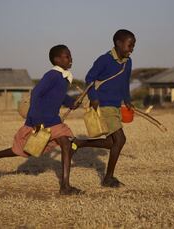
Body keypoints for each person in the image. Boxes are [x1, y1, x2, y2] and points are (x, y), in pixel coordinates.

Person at [0, 44, 82, 195]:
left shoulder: (63, 78)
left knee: (66, 144)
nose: (71, 59)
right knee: (25, 150)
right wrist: (36, 119)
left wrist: (71, 103)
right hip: (40, 119)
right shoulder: (53, 75)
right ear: (57, 59)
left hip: (53, 120)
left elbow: (60, 97)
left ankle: (65, 186)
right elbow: (36, 93)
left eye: (70, 56)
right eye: (67, 56)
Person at [74, 29, 136, 187]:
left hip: (115, 106)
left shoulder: (128, 62)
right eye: (129, 45)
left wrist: (127, 100)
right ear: (118, 44)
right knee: (120, 140)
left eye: (133, 46)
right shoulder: (104, 60)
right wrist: (94, 97)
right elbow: (89, 78)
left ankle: (79, 143)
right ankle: (108, 178)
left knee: (111, 142)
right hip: (104, 105)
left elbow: (125, 83)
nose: (132, 49)